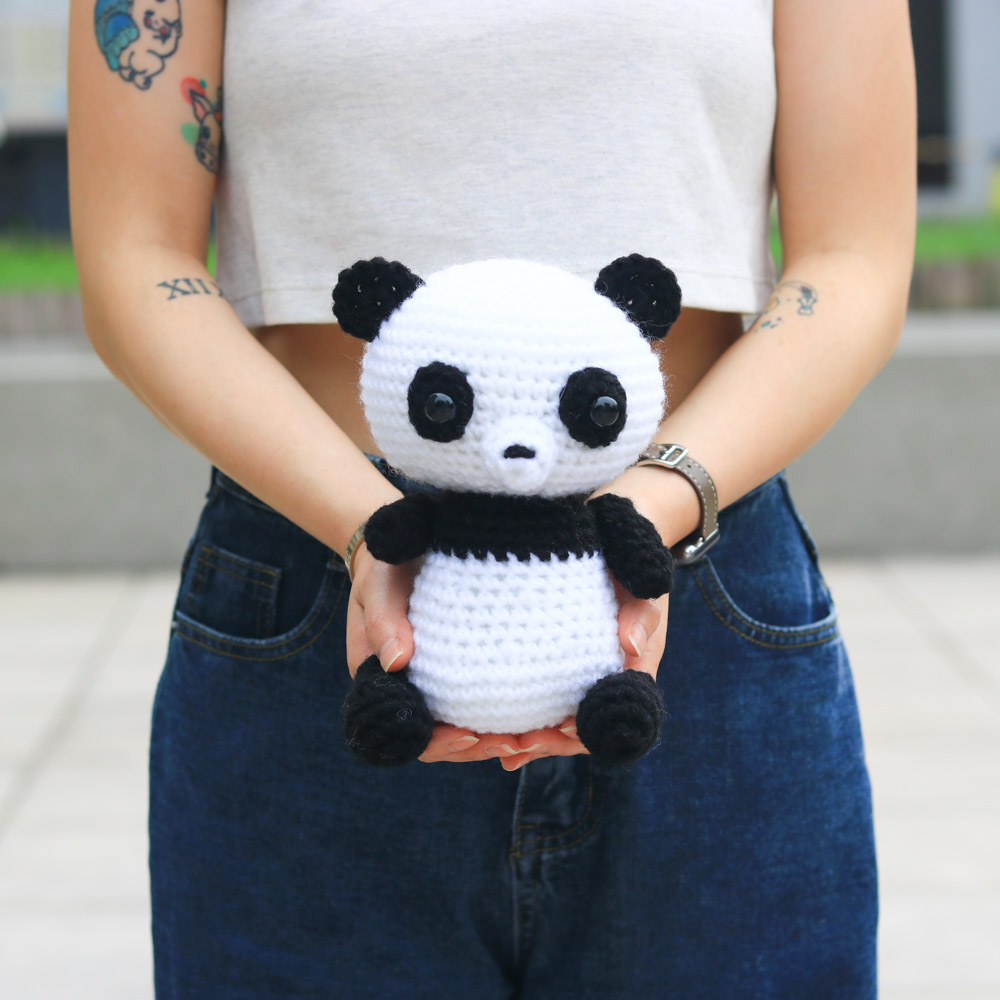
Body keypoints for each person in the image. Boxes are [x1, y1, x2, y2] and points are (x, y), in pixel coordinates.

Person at [68, 1, 916, 996]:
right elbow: (136, 254)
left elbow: (852, 258)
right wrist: (367, 530)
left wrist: (644, 512)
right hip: (314, 587)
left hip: (694, 580)